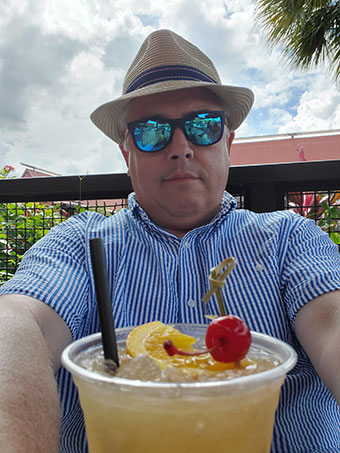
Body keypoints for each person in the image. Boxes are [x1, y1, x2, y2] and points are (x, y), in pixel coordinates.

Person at [0, 29, 339, 453]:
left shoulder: (290, 239)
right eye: (151, 131)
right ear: (128, 155)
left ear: (227, 143)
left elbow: (333, 322)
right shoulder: (80, 244)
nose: (180, 147)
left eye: (203, 126)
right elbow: (16, 323)